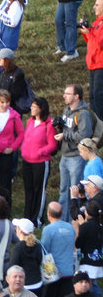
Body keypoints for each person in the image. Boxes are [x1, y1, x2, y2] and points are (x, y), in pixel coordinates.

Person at [56, 84, 93, 221]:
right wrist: (59, 127)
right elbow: (67, 130)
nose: (64, 96)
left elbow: (85, 134)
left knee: (74, 192)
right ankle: (61, 221)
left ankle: (74, 223)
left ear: (76, 96)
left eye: (67, 93)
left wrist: (65, 136)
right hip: (65, 155)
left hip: (76, 157)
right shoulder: (66, 110)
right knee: (63, 191)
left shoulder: (83, 113)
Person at [81, 0, 103, 121]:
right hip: (93, 64)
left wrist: (89, 34)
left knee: (99, 96)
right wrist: (86, 31)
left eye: (97, 5)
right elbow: (91, 41)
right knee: (93, 96)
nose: (94, 7)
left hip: (100, 64)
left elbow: (100, 43)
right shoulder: (97, 22)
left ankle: (100, 124)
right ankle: (96, 122)